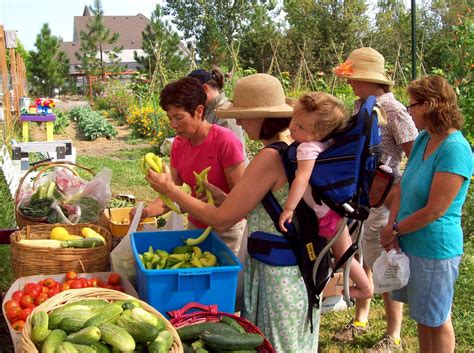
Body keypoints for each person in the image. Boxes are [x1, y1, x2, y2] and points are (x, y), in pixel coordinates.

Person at [145, 73, 321, 352]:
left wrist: (170, 189)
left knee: (276, 345)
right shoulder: (289, 150)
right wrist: (223, 197)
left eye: (245, 116)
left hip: (279, 275)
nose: (238, 122)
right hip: (284, 267)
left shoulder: (269, 157)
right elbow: (258, 206)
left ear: (265, 117)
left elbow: (223, 219)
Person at [332, 47, 419, 352]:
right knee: (361, 258)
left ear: (371, 79)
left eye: (354, 78)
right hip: (360, 198)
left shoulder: (393, 110)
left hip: (384, 198)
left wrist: (398, 192)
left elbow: (415, 155)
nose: (350, 84)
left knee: (384, 265)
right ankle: (361, 319)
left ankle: (393, 335)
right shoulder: (360, 106)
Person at [380, 75, 472, 353]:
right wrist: (391, 224)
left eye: (413, 105)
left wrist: (396, 230)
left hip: (435, 248)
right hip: (411, 240)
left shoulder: (455, 149)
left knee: (437, 318)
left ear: (432, 105)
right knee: (423, 316)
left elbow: (436, 209)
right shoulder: (423, 140)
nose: (409, 111)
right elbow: (404, 186)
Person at [278, 92, 373, 300]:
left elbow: (301, 179)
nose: (293, 127)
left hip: (328, 214)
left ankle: (366, 289)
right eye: (294, 119)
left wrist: (288, 208)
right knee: (344, 250)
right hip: (333, 208)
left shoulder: (306, 149)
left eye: (301, 127)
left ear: (316, 134)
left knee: (344, 254)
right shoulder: (325, 143)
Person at [141, 77, 246, 255]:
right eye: (170, 118)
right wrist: (145, 212)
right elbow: (172, 193)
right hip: (196, 228)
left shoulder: (225, 141)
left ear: (199, 111)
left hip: (228, 232)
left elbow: (242, 202)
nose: (174, 125)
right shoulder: (179, 145)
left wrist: (221, 201)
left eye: (179, 117)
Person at [188, 67, 244, 142]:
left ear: (205, 88)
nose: (192, 99)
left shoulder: (226, 114)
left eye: (193, 94)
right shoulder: (210, 109)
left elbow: (232, 149)